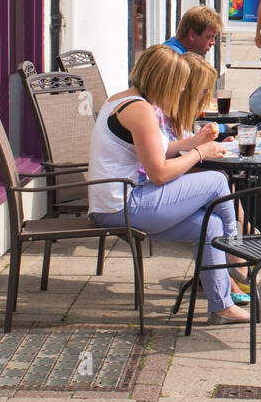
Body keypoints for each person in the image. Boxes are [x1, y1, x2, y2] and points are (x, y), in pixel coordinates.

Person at [87, 46, 249, 324]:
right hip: (124, 204)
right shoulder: (140, 110)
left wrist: (193, 143)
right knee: (216, 180)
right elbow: (159, 173)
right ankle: (235, 254)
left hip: (117, 201)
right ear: (165, 81)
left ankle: (221, 305)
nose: (183, 89)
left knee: (210, 225)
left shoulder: (124, 99)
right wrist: (200, 153)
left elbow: (159, 149)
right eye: (181, 83)